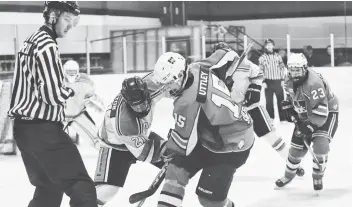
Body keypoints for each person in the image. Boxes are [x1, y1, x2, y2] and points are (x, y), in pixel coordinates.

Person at [7, 2, 98, 207]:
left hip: (23, 130)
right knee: (82, 188)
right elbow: (51, 94)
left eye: (72, 22)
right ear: (53, 15)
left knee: (49, 188)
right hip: (44, 132)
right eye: (67, 19)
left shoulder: (29, 41)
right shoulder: (47, 44)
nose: (70, 26)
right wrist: (74, 91)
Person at [152, 52, 254, 207]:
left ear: (180, 75)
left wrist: (170, 147)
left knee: (209, 200)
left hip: (232, 146)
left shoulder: (186, 103)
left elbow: (184, 145)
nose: (166, 88)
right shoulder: (196, 67)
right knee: (175, 172)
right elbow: (226, 53)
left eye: (168, 83)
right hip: (215, 134)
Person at [209, 42, 304, 175]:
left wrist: (254, 89)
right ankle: (220, 168)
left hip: (251, 108)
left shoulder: (245, 64)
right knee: (224, 141)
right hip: (229, 111)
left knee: (271, 136)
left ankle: (292, 163)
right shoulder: (212, 70)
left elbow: (258, 73)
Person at [94, 75, 169, 206]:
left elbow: (173, 83)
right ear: (128, 102)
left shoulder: (151, 85)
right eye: (135, 106)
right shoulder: (124, 123)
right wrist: (170, 150)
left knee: (178, 167)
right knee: (107, 190)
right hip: (114, 146)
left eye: (143, 103)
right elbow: (145, 152)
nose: (141, 109)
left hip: (141, 134)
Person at [275, 53, 339, 193]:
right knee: (296, 150)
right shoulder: (288, 78)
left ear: (305, 68)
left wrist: (308, 126)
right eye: (292, 69)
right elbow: (291, 95)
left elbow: (321, 111)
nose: (295, 73)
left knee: (320, 147)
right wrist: (289, 106)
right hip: (306, 111)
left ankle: (318, 176)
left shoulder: (314, 83)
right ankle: (288, 175)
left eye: (298, 69)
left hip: (326, 113)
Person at [62, 59, 104, 146]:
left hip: (78, 115)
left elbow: (91, 96)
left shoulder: (85, 81)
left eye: (73, 71)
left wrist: (94, 104)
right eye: (69, 71)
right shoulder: (56, 80)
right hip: (59, 117)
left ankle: (107, 155)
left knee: (95, 138)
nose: (71, 74)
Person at [259, 39, 287, 123]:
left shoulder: (278, 56)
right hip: (268, 81)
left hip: (278, 81)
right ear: (265, 46)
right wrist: (263, 81)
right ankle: (270, 117)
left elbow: (282, 68)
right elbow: (261, 70)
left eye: (271, 44)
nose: (269, 46)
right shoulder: (262, 58)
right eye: (267, 45)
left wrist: (282, 79)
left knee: (281, 100)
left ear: (273, 46)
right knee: (269, 101)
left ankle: (283, 118)